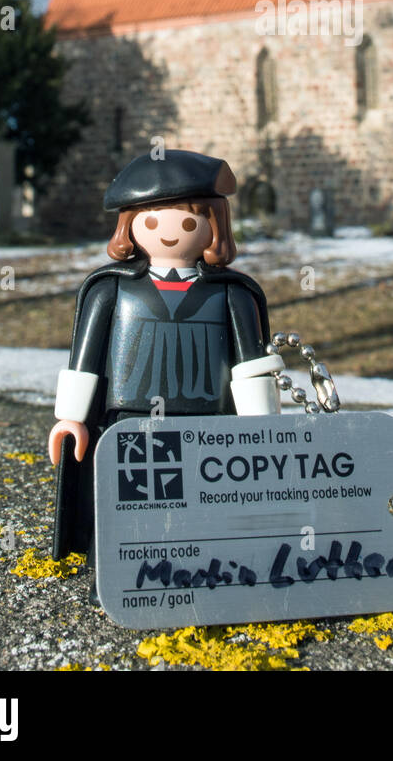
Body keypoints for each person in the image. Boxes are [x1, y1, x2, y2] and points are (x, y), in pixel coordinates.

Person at [48, 148, 283, 596]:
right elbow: (85, 359)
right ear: (130, 228)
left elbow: (250, 368)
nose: (170, 234)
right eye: (152, 222)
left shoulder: (233, 296)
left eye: (189, 223)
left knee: (204, 501)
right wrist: (71, 416)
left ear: (214, 226)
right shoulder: (111, 291)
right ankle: (118, 571)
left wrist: (262, 429)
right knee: (129, 498)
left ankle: (211, 571)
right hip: (127, 423)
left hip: (209, 425)